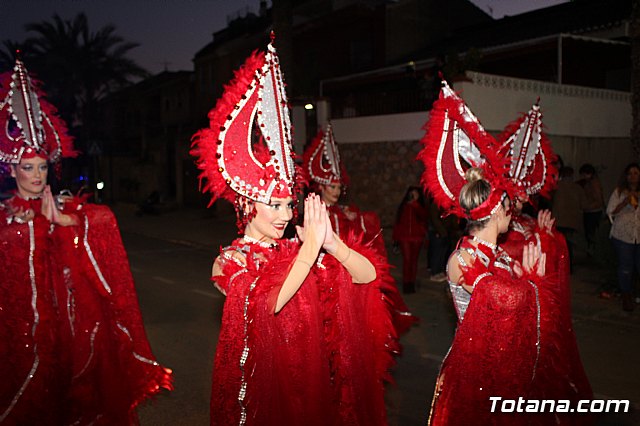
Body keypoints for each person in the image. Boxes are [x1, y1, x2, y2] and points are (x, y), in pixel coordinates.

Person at [191, 36, 403, 426]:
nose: (284, 214)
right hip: (265, 397)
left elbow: (369, 277)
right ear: (245, 205)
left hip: (313, 387)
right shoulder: (231, 260)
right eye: (274, 205)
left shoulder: (297, 249)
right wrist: (308, 254)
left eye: (288, 204)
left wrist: (333, 244)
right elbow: (264, 304)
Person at [0, 58, 172, 425]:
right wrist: (21, 230)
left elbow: (103, 221)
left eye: (42, 167)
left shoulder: (65, 205)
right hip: (23, 338)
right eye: (27, 167)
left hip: (74, 329)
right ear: (11, 169)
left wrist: (69, 222)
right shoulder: (4, 216)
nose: (36, 175)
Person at [419, 81, 592, 425]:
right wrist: (531, 282)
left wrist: (540, 249)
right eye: (506, 207)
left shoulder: (495, 254)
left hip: (505, 364)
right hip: (477, 372)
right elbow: (507, 299)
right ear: (496, 211)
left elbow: (524, 290)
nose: (512, 212)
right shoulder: (462, 259)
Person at [497, 101, 593, 420]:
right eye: (517, 191)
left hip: (531, 316)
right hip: (501, 319)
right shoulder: (490, 228)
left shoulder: (527, 223)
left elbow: (547, 267)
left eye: (527, 191)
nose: (524, 197)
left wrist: (549, 238)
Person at [607, 162, 640, 312]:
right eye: (630, 173)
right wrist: (624, 202)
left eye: (636, 173)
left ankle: (634, 293)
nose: (633, 176)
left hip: (638, 235)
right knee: (626, 266)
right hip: (623, 235)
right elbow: (610, 211)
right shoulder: (619, 192)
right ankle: (626, 296)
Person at [392, 186, 428, 293]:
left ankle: (411, 283)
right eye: (412, 193)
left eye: (415, 194)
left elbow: (424, 216)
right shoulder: (404, 206)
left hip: (417, 237)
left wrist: (416, 205)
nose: (413, 196)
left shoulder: (419, 206)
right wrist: (395, 238)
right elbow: (398, 222)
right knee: (407, 260)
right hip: (405, 237)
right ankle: (406, 283)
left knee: (413, 261)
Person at [577, 163, 605, 254]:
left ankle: (593, 251)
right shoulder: (589, 183)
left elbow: (599, 201)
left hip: (593, 212)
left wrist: (587, 207)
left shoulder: (594, 183)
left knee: (591, 233)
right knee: (589, 233)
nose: (583, 176)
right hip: (590, 211)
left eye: (584, 174)